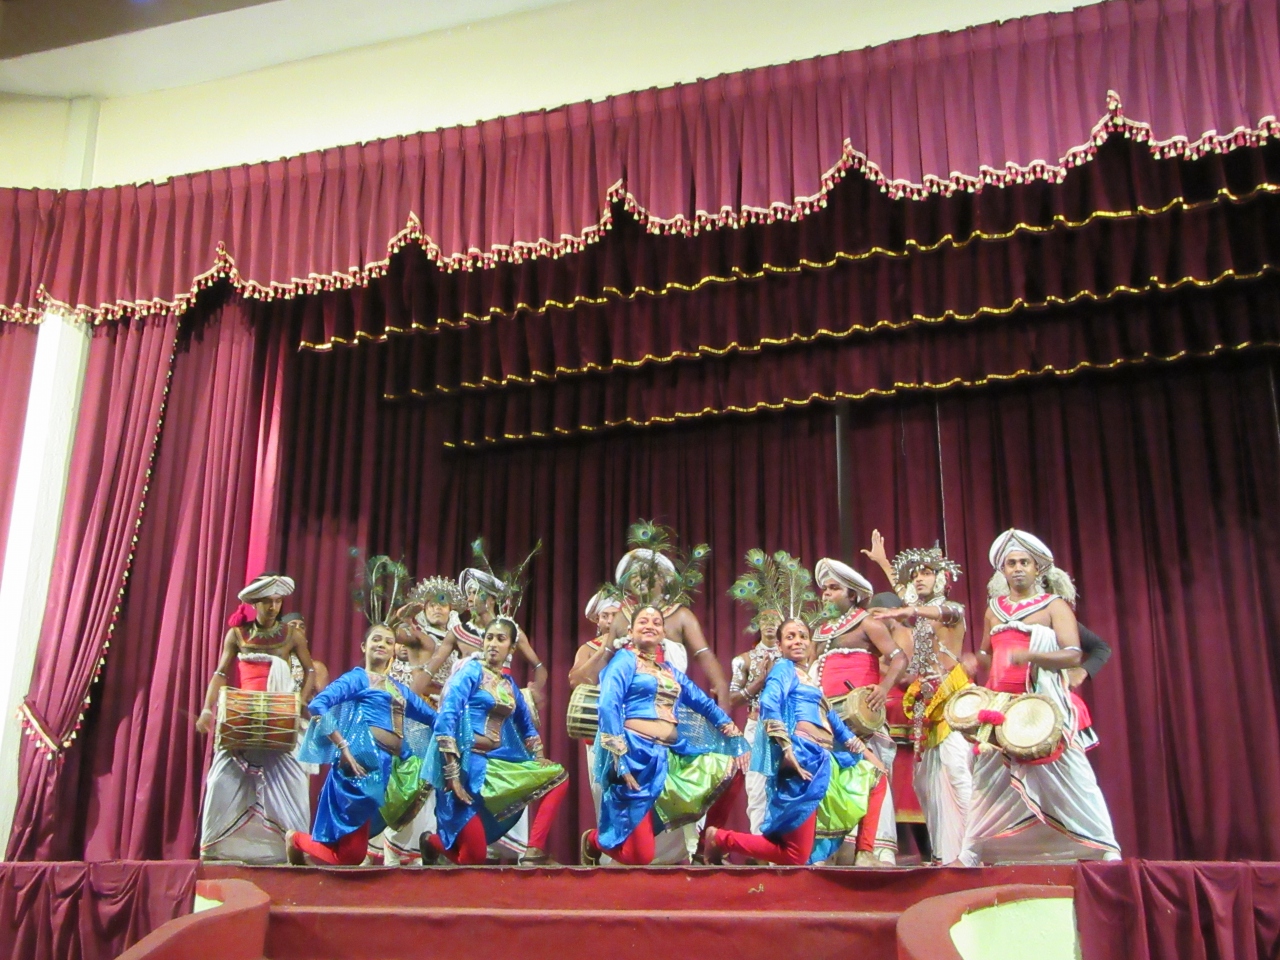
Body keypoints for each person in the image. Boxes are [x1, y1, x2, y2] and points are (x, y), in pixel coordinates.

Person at [960, 529, 1121, 864]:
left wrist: (1032, 655)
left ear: (1038, 569)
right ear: (1002, 571)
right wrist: (976, 660)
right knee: (988, 778)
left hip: (1042, 705)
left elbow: (1073, 653)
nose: (1018, 568)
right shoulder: (994, 610)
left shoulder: (1054, 606)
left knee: (1072, 775)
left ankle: (1104, 845)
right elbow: (988, 653)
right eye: (1011, 563)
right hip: (1001, 705)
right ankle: (975, 849)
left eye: (1024, 562)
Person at [704, 618, 883, 865]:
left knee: (876, 777)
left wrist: (866, 753)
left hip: (823, 760)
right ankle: (720, 839)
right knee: (794, 854)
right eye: (790, 637)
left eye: (802, 636)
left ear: (810, 643)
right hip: (803, 760)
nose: (798, 641)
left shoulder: (807, 679)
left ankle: (864, 853)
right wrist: (786, 748)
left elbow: (835, 723)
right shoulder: (783, 669)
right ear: (779, 646)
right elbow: (769, 703)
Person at [582, 605, 746, 865]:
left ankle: (706, 845)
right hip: (636, 756)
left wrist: (733, 733)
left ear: (663, 634)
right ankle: (593, 840)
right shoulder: (624, 661)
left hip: (670, 758)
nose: (650, 625)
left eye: (656, 623)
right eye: (643, 621)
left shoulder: (668, 670)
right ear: (630, 631)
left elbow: (702, 702)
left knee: (732, 767)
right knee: (640, 857)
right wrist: (619, 757)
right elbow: (607, 704)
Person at [420, 618, 570, 865]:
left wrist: (538, 756)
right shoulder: (471, 672)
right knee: (474, 858)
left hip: (493, 766)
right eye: (489, 638)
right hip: (464, 766)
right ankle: (432, 842)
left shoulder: (508, 685)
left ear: (511, 648)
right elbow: (447, 717)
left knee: (558, 776)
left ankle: (534, 850)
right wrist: (452, 774)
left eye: (500, 639)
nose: (492, 644)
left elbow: (526, 724)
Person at [288, 620, 438, 865]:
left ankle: (300, 843)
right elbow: (318, 705)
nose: (382, 645)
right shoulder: (357, 678)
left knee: (351, 853)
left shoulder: (398, 689)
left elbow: (433, 718)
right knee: (350, 856)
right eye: (376, 639)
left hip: (387, 770)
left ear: (394, 651)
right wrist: (342, 745)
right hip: (360, 764)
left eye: (388, 642)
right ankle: (295, 839)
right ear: (363, 646)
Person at [196, 573, 316, 864]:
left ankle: (295, 846)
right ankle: (217, 846)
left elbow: (310, 670)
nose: (273, 607)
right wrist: (208, 709)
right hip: (244, 714)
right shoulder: (238, 634)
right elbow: (221, 673)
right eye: (266, 602)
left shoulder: (291, 635)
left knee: (293, 782)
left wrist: (299, 701)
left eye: (278, 601)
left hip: (279, 715)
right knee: (220, 778)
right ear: (254, 603)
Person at [871, 542, 975, 865]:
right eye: (915, 575)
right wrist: (884, 563)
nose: (918, 579)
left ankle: (975, 849)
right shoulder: (914, 615)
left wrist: (911, 610)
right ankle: (945, 854)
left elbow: (947, 612)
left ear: (941, 578)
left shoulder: (950, 613)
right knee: (926, 784)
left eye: (927, 573)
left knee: (957, 773)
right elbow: (905, 598)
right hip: (925, 705)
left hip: (952, 700)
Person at [809, 558, 903, 864]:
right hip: (828, 719)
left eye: (834, 588)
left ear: (852, 594)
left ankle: (878, 849)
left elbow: (899, 658)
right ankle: (833, 851)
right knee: (832, 781)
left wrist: (883, 688)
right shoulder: (820, 631)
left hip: (862, 717)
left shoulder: (867, 623)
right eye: (825, 589)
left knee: (873, 776)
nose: (826, 594)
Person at [726, 548, 817, 835]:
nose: (767, 624)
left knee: (793, 787)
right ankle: (758, 844)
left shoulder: (797, 661)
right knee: (757, 789)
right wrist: (759, 681)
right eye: (763, 620)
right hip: (758, 727)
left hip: (795, 728)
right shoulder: (744, 660)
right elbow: (732, 699)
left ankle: (785, 846)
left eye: (773, 620)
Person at [377, 575, 465, 866]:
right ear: (424, 609)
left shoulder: (459, 638)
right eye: (432, 605)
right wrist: (398, 619)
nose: (438, 609)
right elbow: (393, 635)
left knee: (444, 781)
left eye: (444, 604)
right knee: (417, 778)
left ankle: (431, 845)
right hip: (421, 714)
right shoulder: (418, 636)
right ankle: (399, 845)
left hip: (447, 715)